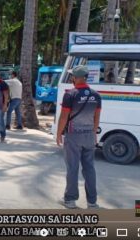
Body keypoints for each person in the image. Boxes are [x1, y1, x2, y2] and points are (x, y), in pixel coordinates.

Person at [56, 65, 102, 209]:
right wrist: (93, 134)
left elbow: (64, 117)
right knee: (89, 168)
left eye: (72, 77)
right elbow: (96, 118)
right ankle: (92, 202)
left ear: (75, 78)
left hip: (73, 136)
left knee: (73, 168)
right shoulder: (96, 95)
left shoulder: (70, 94)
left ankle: (70, 200)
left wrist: (58, 133)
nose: (71, 79)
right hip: (89, 135)